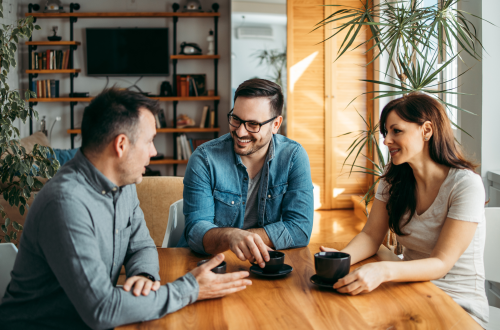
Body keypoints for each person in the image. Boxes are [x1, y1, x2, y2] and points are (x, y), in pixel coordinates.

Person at [0, 89, 251, 330]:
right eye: (150, 141)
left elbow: (141, 244)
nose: (153, 151)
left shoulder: (122, 183)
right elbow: (102, 310)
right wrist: (191, 288)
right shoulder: (65, 205)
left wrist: (144, 276)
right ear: (121, 145)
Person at [320, 92, 489, 328]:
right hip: (409, 292)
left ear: (426, 130)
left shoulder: (465, 185)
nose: (387, 140)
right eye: (386, 133)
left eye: (396, 131)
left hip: (457, 305)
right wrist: (343, 259)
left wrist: (383, 271)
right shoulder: (393, 181)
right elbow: (370, 236)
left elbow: (441, 262)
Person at [179, 79, 314, 268]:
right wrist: (231, 237)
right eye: (236, 119)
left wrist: (243, 239)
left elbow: (300, 229)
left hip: (265, 266)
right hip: (210, 266)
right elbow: (195, 232)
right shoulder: (204, 159)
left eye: (252, 124)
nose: (240, 132)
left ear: (276, 124)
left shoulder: (293, 157)